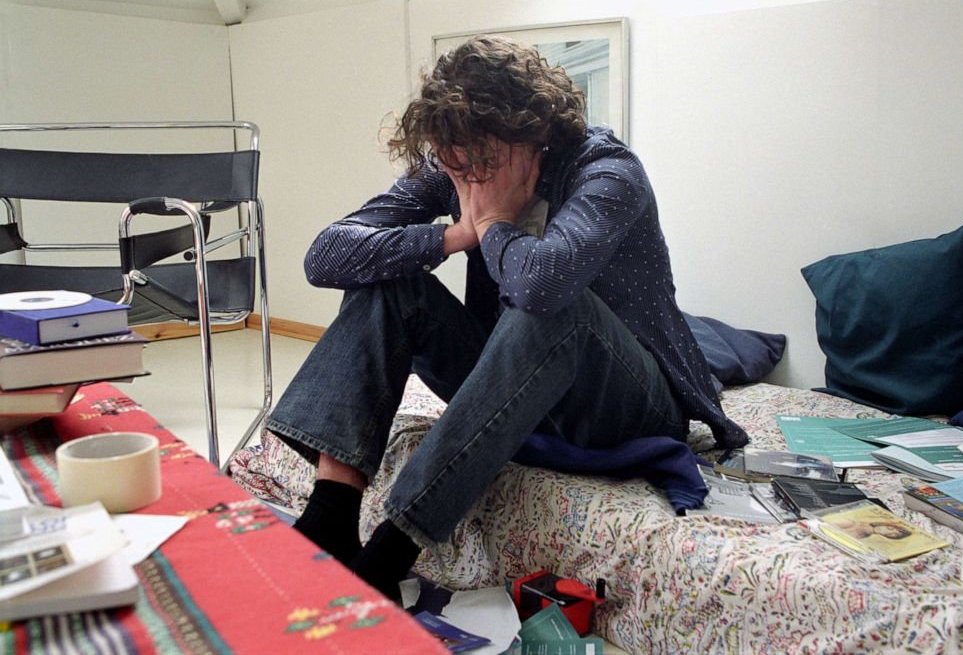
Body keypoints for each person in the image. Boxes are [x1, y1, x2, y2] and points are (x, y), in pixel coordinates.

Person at [265, 35, 748, 600]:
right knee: (388, 280)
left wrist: (492, 223)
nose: (463, 175)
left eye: (478, 159)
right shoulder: (458, 163)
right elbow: (325, 255)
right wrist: (453, 234)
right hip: (513, 383)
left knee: (550, 305)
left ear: (534, 132)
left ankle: (389, 553)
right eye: (453, 162)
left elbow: (543, 282)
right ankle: (332, 515)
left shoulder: (608, 172)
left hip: (628, 404)